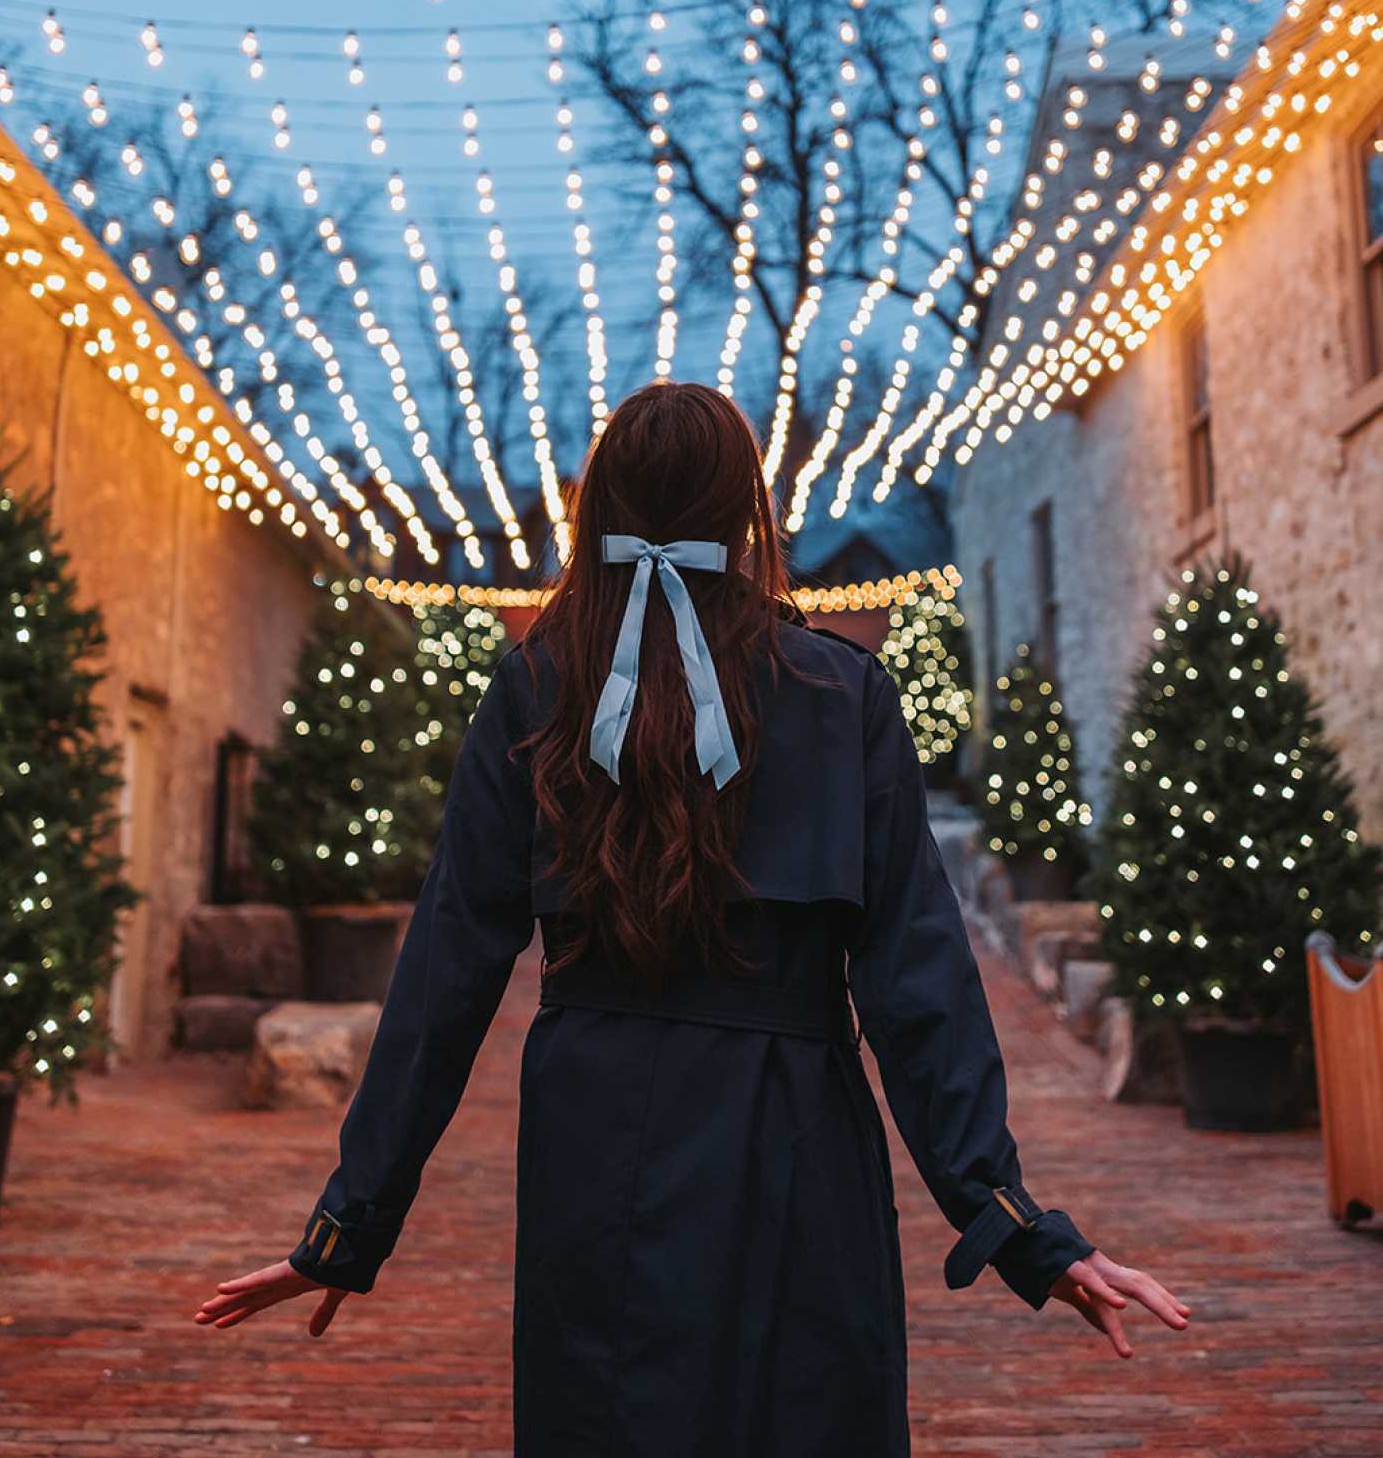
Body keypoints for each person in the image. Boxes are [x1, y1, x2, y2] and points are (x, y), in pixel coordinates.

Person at [194, 380, 1190, 1455]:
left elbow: (443, 975)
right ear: (744, 513)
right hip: (792, 1133)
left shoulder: (537, 687)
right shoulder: (839, 692)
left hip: (594, 1129)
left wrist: (352, 1218)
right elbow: (918, 987)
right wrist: (1020, 1229)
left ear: (599, 508)